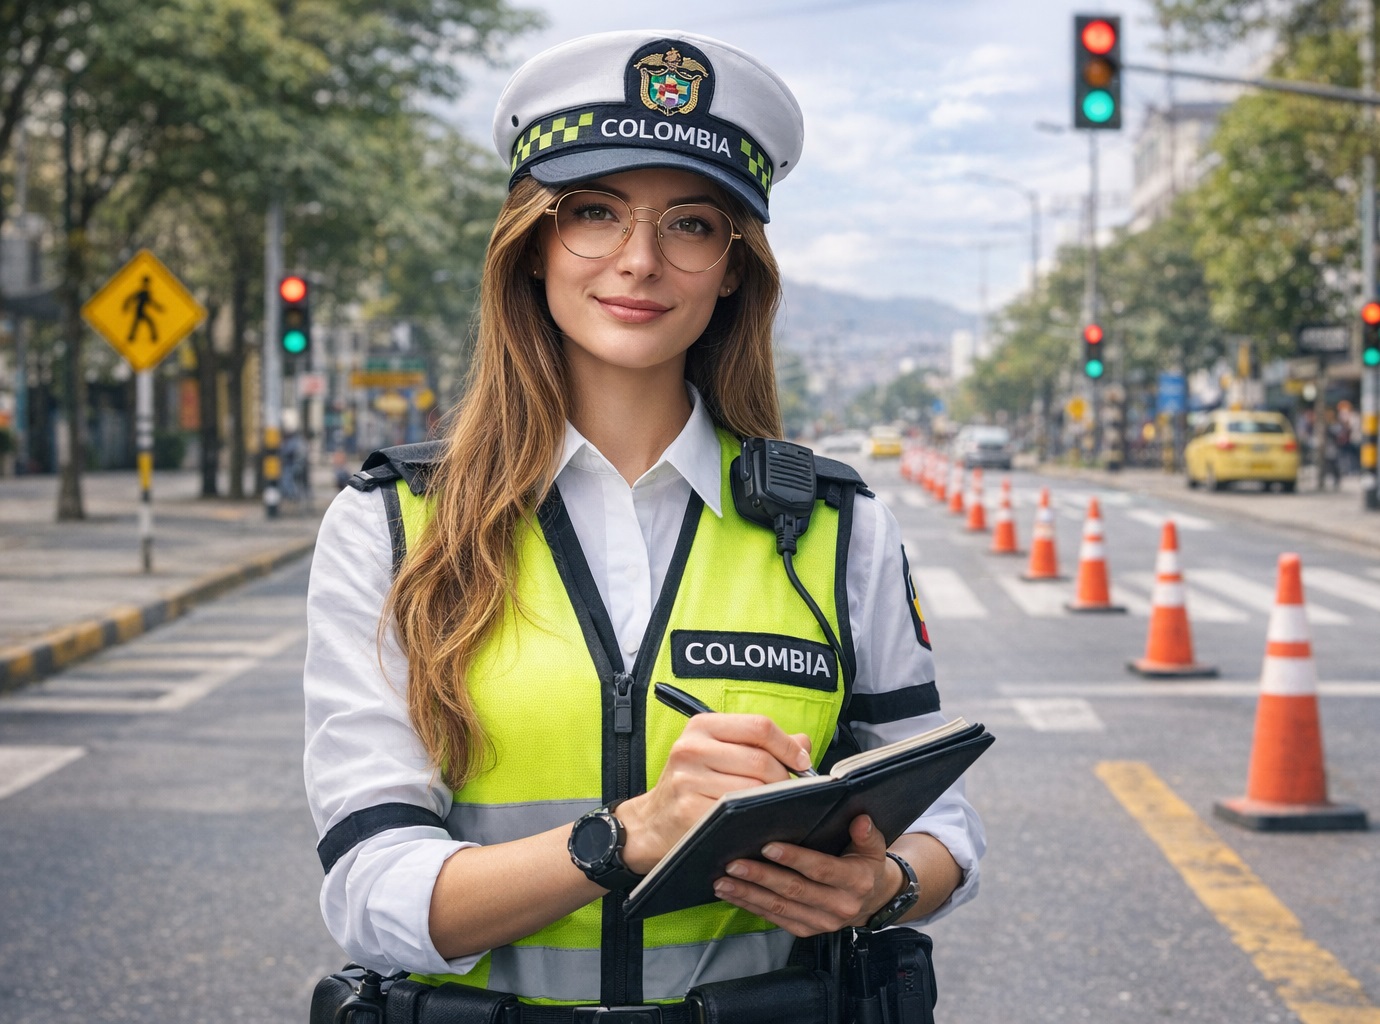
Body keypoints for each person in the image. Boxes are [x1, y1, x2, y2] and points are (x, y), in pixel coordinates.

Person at [303, 29, 985, 1019]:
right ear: (534, 245)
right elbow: (372, 894)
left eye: (692, 224)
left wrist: (885, 885)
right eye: (593, 212)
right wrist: (623, 836)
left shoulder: (838, 524)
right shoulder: (395, 524)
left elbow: (944, 822)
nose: (639, 260)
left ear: (734, 268)